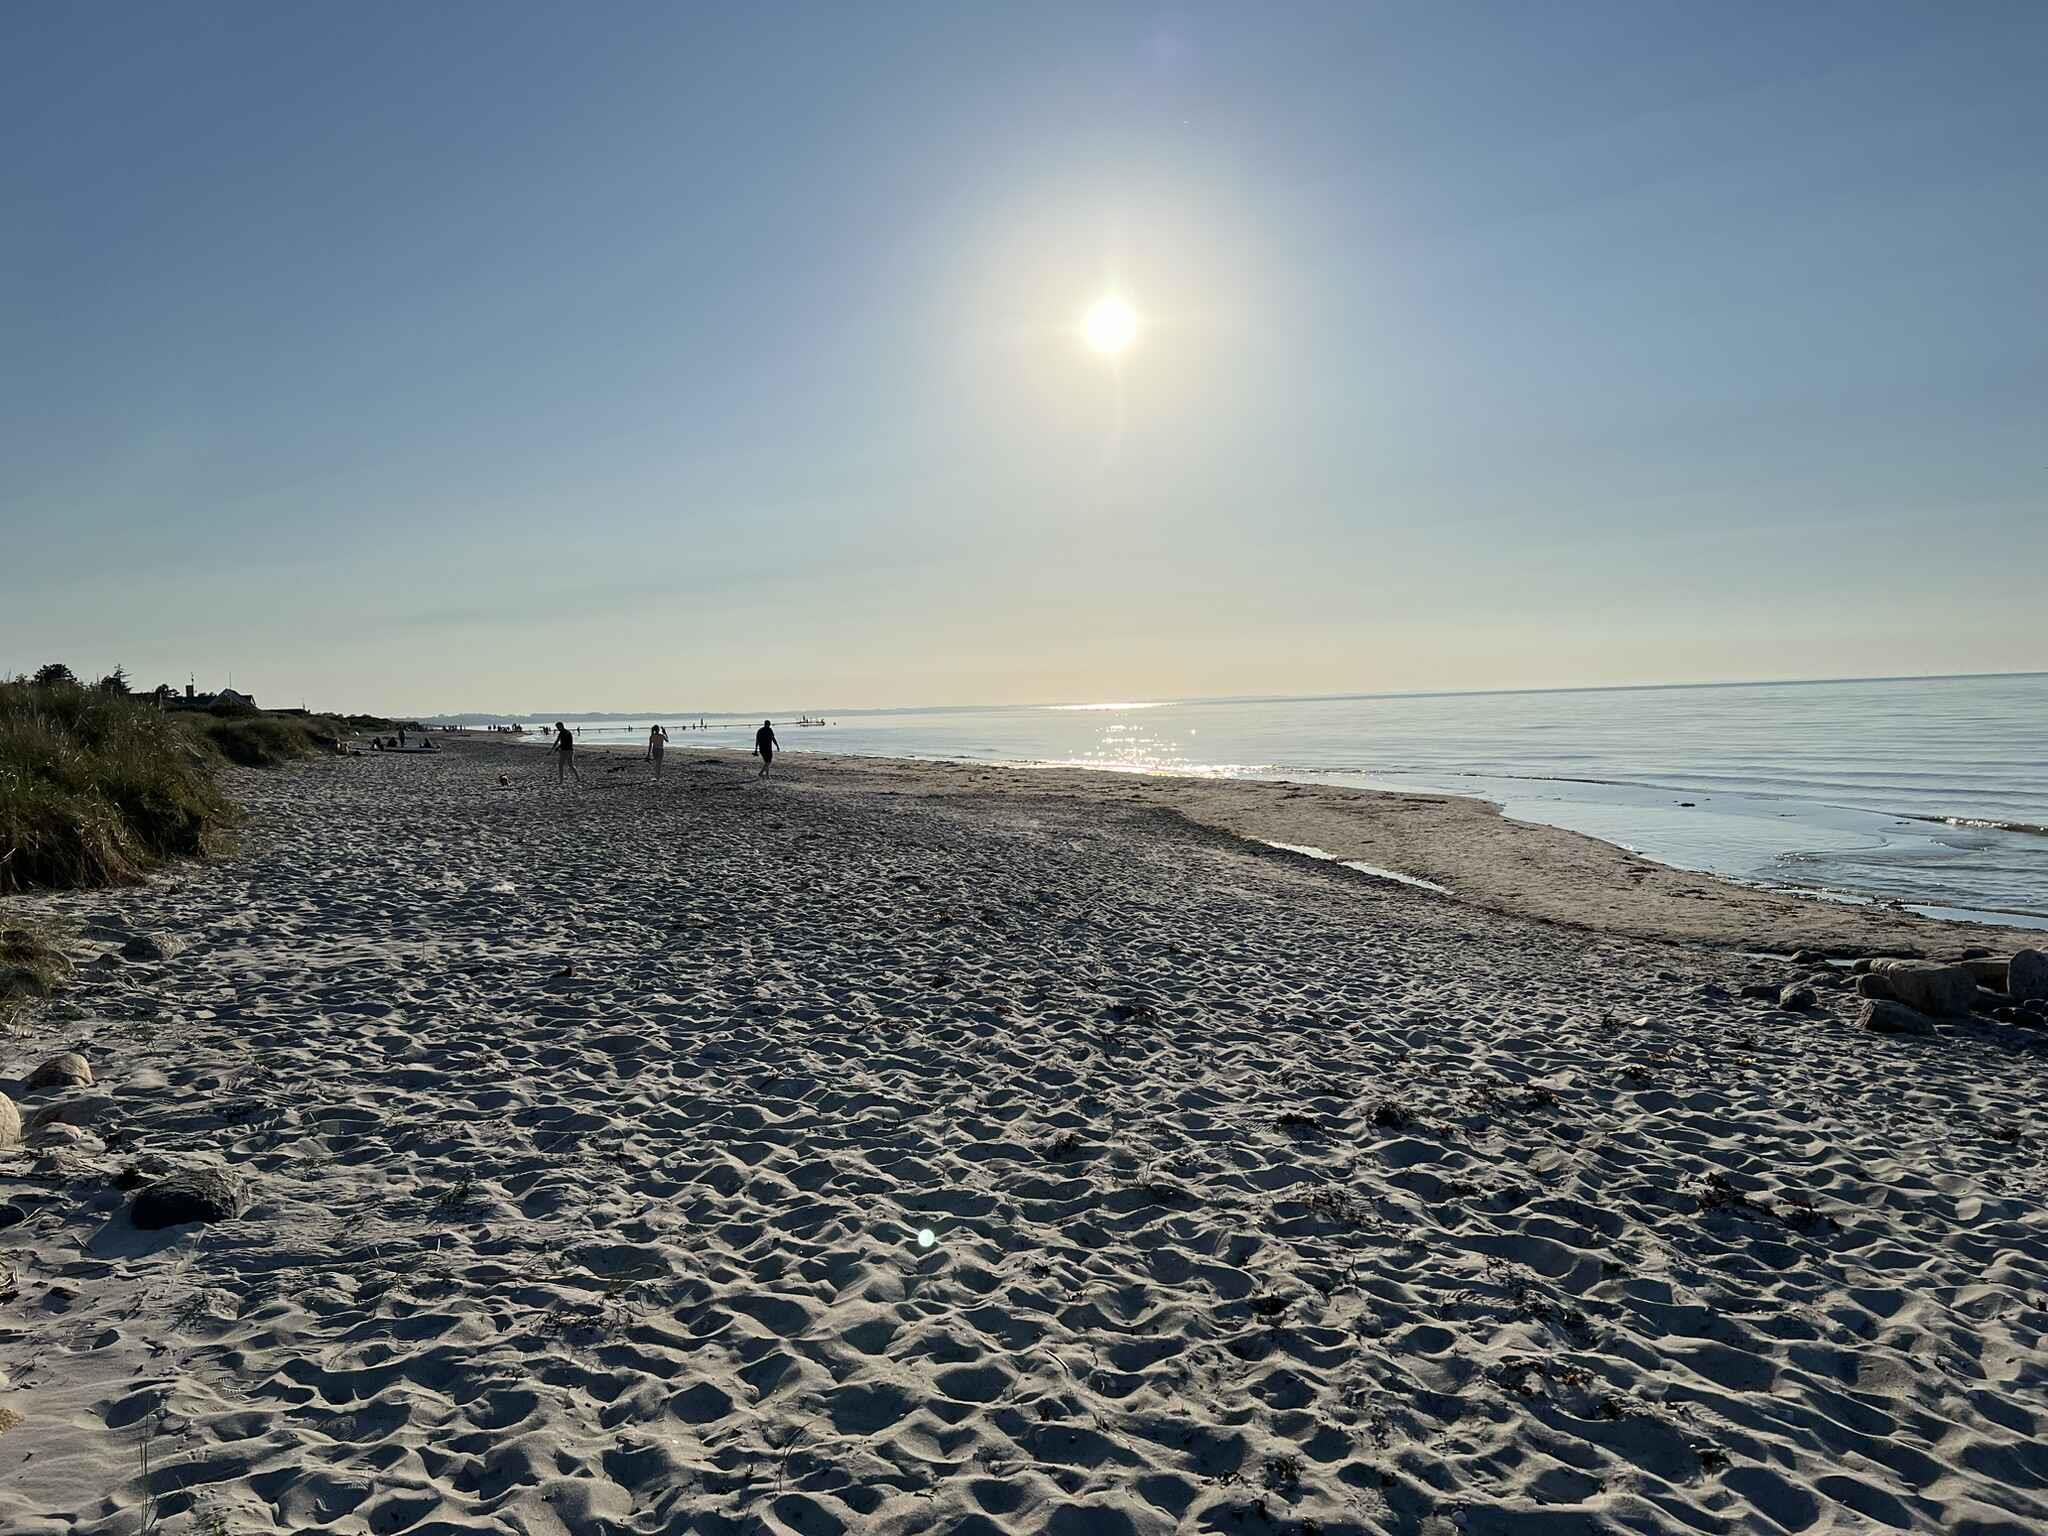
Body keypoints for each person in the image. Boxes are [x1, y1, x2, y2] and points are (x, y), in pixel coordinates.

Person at [554, 720, 579, 784]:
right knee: (561, 765)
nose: (558, 728)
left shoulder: (566, 732)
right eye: (557, 727)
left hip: (568, 750)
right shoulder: (561, 733)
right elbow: (557, 741)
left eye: (558, 727)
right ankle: (561, 780)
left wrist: (557, 748)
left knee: (570, 765)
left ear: (562, 726)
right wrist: (553, 749)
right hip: (563, 750)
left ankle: (578, 778)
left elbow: (564, 743)